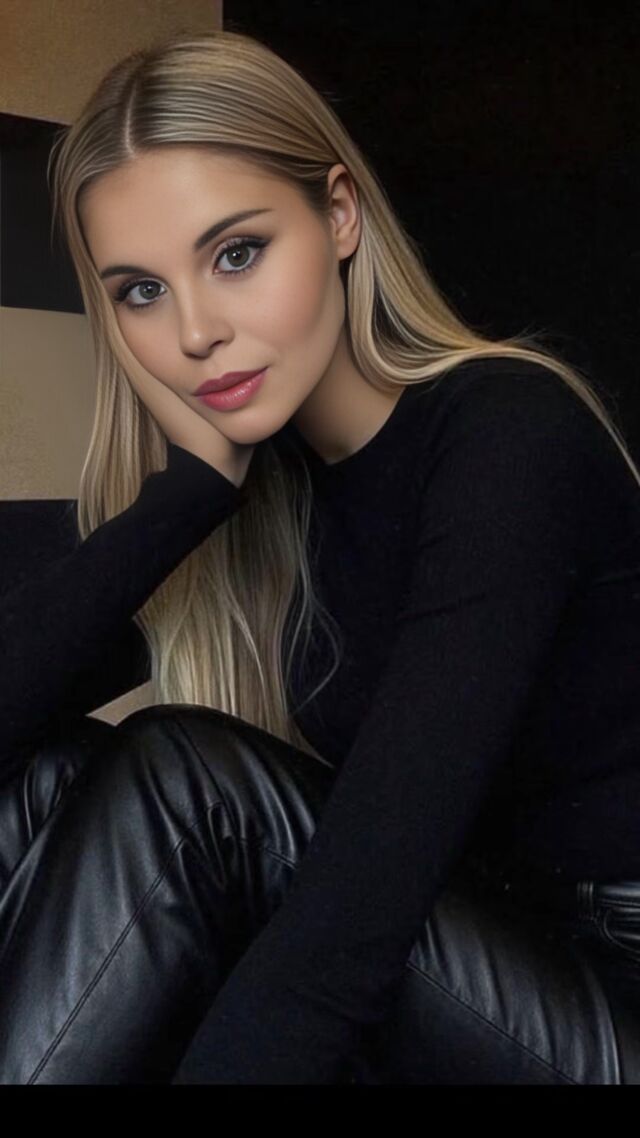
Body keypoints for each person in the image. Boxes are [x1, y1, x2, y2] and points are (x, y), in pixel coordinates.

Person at [1, 28, 640, 1085]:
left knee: (188, 789)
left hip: (611, 993)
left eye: (235, 254)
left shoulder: (507, 437)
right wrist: (192, 493)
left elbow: (348, 928)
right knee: (52, 782)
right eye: (141, 292)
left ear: (338, 215)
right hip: (472, 949)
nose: (195, 332)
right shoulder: (271, 491)